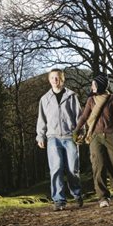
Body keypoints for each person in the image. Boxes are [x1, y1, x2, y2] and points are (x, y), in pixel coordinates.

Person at [73, 74, 113, 208]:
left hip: (111, 135)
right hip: (95, 136)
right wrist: (77, 130)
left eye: (94, 84)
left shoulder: (112, 99)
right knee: (98, 166)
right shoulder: (91, 100)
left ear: (101, 85)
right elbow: (84, 117)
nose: (92, 87)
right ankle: (103, 197)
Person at [36, 68, 83, 211]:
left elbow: (79, 116)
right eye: (52, 78)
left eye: (57, 78)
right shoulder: (44, 99)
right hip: (53, 138)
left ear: (62, 79)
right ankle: (59, 200)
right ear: (49, 80)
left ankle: (77, 194)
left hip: (70, 137)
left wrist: (81, 132)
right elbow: (41, 119)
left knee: (72, 169)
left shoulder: (71, 96)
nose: (55, 80)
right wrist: (40, 136)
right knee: (56, 169)